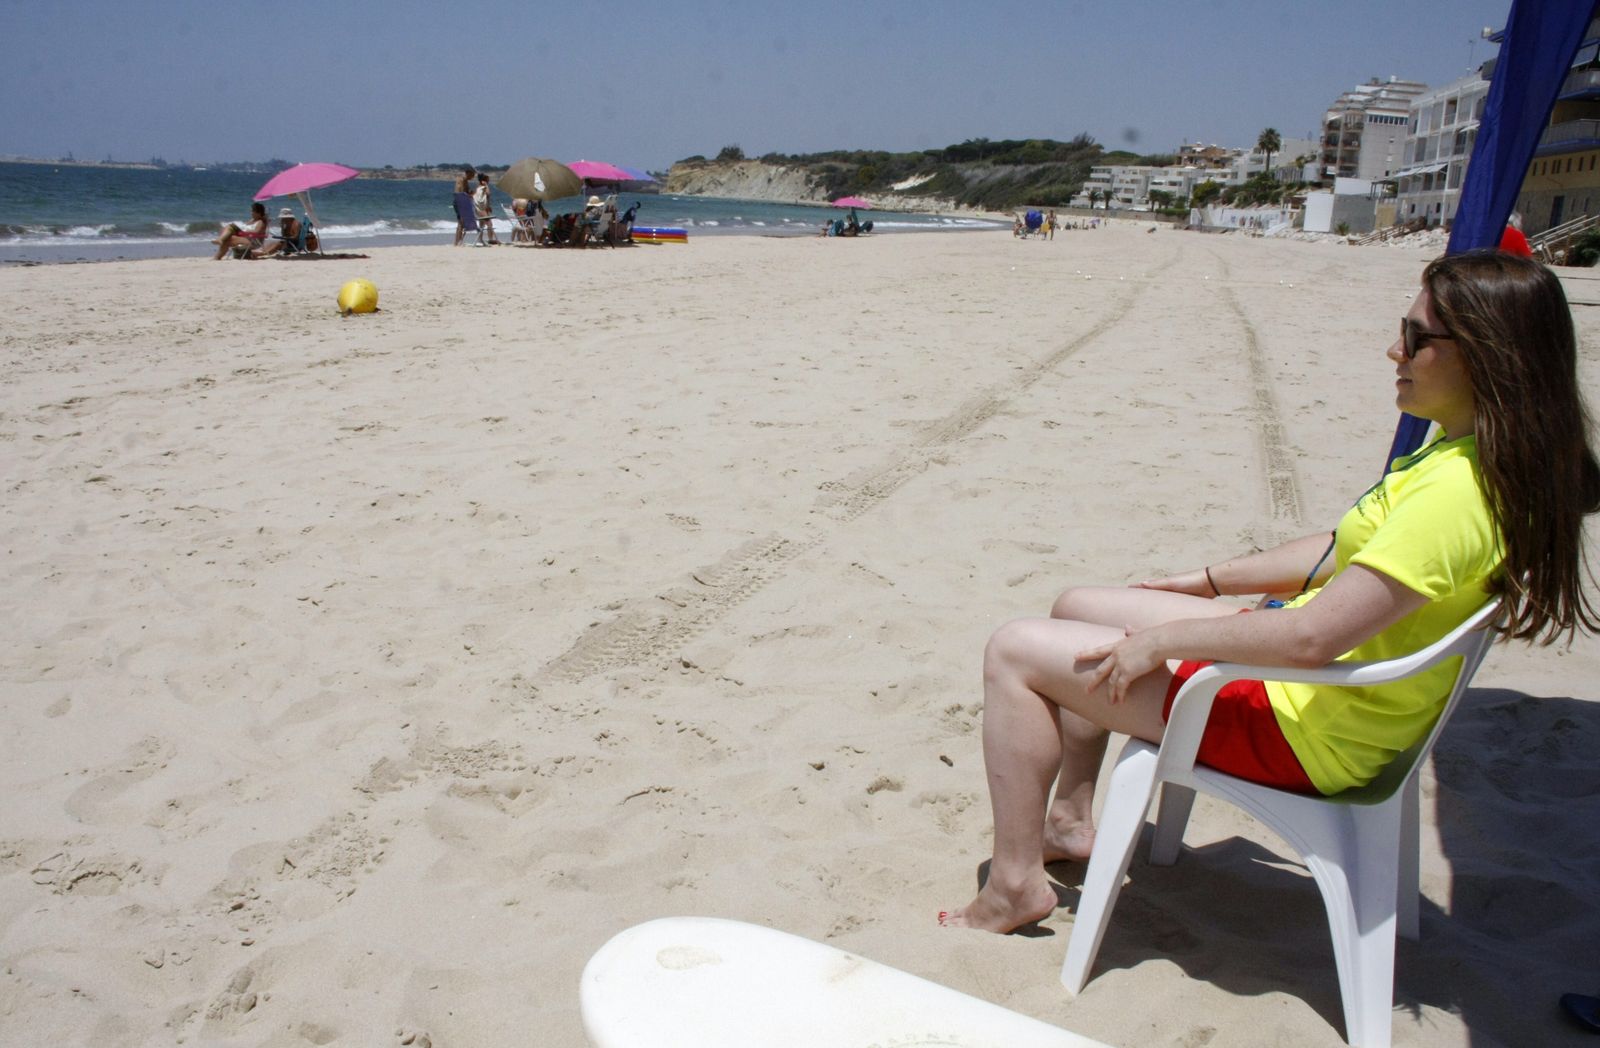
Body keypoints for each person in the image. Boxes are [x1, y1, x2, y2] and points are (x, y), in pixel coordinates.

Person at [940, 250, 1600, 933]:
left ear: (1486, 357)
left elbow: (1312, 640)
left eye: (1416, 338)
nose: (1392, 350)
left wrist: (1162, 641)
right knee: (1078, 604)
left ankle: (1014, 886)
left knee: (1013, 652)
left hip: (1304, 726)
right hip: (1324, 693)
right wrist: (1205, 582)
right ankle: (1071, 822)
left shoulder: (1456, 497)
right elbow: (1341, 550)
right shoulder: (1465, 453)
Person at [474, 172, 499, 245]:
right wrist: (486, 185)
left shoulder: (478, 188)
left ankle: (480, 239)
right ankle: (490, 239)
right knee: (489, 224)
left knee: (481, 225)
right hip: (481, 209)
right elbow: (488, 194)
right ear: (483, 180)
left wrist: (488, 206)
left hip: (481, 208)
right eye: (487, 179)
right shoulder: (483, 187)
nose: (488, 180)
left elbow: (484, 199)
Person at [452, 175, 477, 247]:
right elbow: (462, 193)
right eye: (472, 175)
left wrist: (469, 193)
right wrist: (470, 195)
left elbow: (464, 192)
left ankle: (457, 241)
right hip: (461, 203)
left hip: (459, 202)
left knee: (461, 223)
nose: (472, 177)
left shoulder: (462, 181)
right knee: (462, 223)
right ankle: (458, 241)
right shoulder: (462, 180)